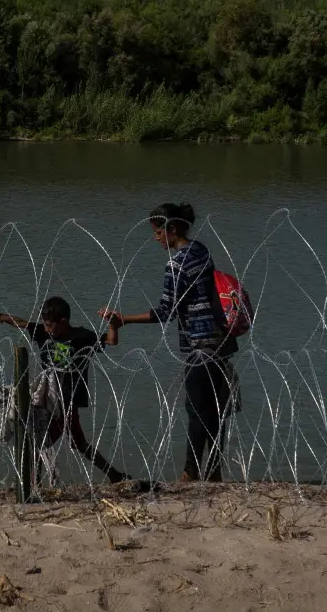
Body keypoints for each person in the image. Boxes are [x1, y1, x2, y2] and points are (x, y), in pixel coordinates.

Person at [100, 203, 236, 482]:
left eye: (158, 232)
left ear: (172, 229)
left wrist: (123, 319)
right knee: (214, 409)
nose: (156, 238)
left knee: (197, 409)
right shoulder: (201, 250)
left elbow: (165, 312)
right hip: (221, 339)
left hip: (200, 344)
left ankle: (190, 472)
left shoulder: (176, 264)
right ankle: (214, 471)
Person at [0, 296, 135, 485]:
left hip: (68, 400)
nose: (46, 329)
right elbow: (20, 322)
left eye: (50, 325)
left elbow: (111, 340)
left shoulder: (81, 337)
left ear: (63, 322)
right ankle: (113, 475)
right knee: (68, 442)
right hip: (48, 399)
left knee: (44, 442)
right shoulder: (43, 333)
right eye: (44, 324)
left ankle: (32, 485)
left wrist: (112, 325)